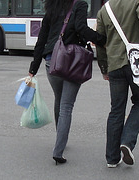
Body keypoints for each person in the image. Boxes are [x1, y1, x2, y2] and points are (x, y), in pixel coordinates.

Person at [28, 0, 106, 165]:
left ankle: (59, 139)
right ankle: (58, 150)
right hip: (71, 61)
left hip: (52, 61)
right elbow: (81, 29)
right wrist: (101, 40)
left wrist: (33, 68)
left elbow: (42, 38)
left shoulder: (52, 6)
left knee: (59, 99)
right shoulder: (80, 4)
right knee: (66, 106)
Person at [96, 0, 139, 168]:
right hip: (138, 65)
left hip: (115, 64)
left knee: (116, 109)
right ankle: (127, 141)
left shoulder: (105, 9)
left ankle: (111, 158)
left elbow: (100, 41)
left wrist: (104, 67)